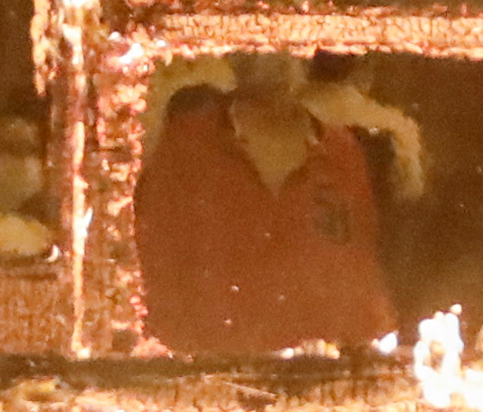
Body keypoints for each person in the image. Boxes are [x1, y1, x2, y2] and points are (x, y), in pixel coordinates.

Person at [141, 32, 403, 358]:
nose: (275, 58)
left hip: (320, 377)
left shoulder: (341, 151)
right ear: (233, 57)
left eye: (287, 44)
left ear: (305, 52)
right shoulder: (188, 144)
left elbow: (360, 266)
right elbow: (154, 261)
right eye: (258, 46)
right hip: (213, 377)